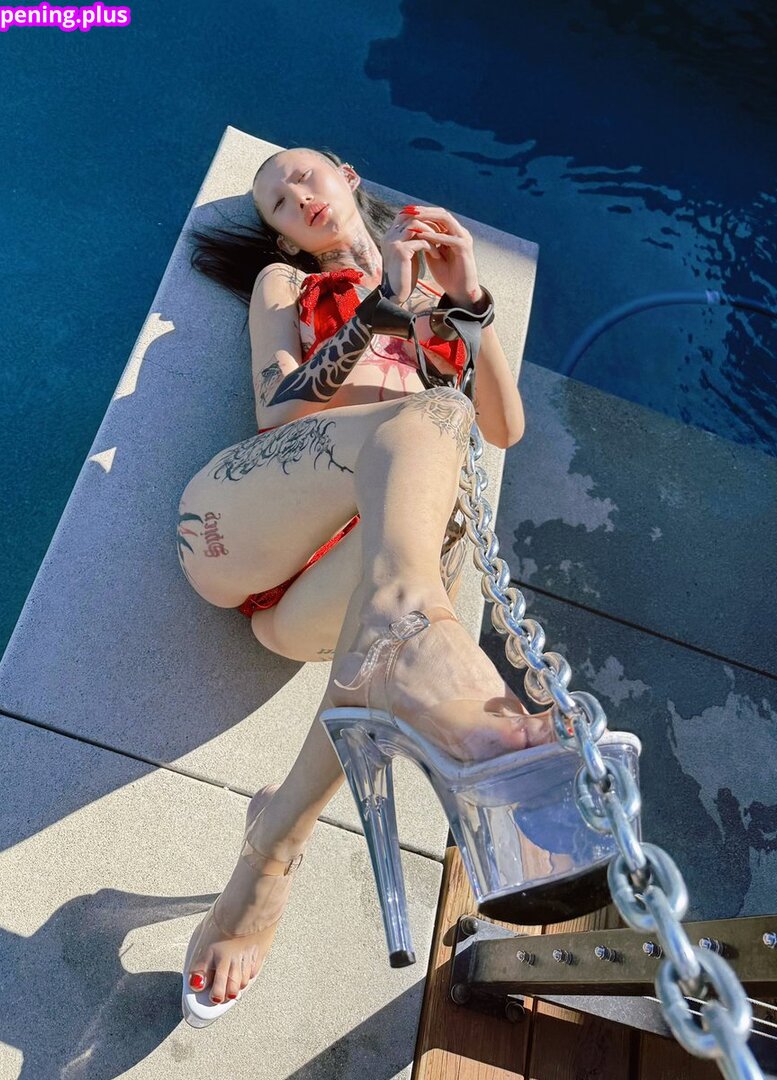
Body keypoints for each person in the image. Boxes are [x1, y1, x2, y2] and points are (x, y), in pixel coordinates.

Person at [176, 145, 549, 1023]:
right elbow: (278, 408)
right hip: (242, 534)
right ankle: (414, 664)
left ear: (346, 175)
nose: (295, 197)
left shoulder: (437, 301)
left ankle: (275, 846)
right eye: (276, 201)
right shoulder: (287, 285)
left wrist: (468, 302)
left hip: (321, 611)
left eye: (305, 176)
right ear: (280, 236)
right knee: (435, 414)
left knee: (444, 443)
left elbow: (505, 426)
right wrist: (375, 315)